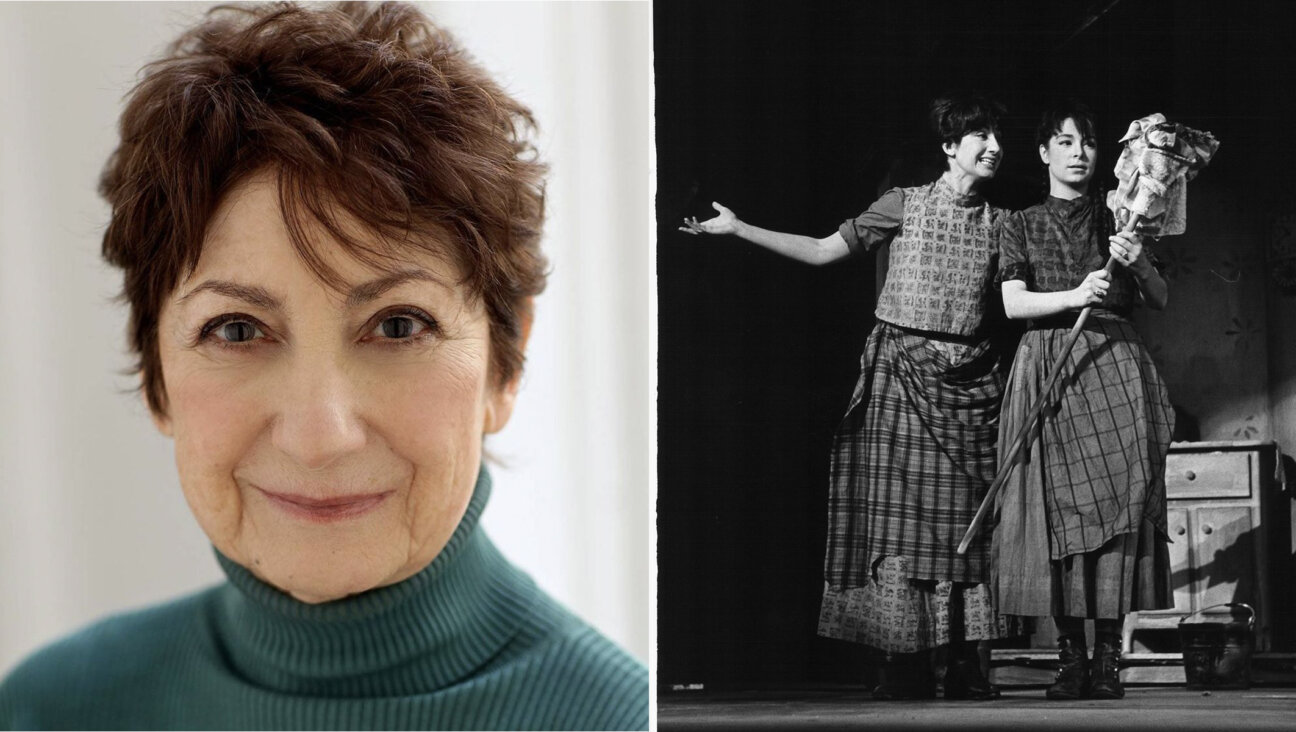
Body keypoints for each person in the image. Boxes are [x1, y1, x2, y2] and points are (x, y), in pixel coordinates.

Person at [0, 3, 647, 729]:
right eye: (236, 329)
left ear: (508, 362)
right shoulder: (52, 708)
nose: (319, 435)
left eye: (398, 325)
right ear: (156, 373)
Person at [682, 95, 1011, 701]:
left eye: (997, 137)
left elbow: (1018, 300)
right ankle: (900, 661)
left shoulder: (1001, 223)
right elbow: (821, 250)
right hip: (900, 375)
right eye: (980, 136)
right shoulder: (903, 205)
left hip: (970, 386)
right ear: (949, 145)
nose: (993, 146)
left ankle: (963, 660)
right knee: (897, 526)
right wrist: (738, 229)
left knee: (965, 529)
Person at [993, 100, 1173, 701]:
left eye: (1088, 143)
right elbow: (1014, 305)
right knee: (1057, 512)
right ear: (1044, 152)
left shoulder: (1119, 214)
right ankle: (1070, 656)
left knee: (1121, 508)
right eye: (1065, 142)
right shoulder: (1018, 222)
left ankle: (1108, 659)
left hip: (1115, 362)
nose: (1079, 153)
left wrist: (1137, 260)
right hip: (1049, 362)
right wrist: (1074, 294)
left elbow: (1161, 296)